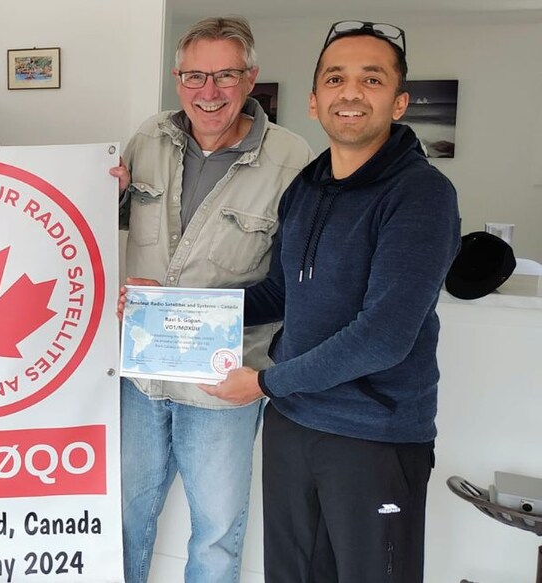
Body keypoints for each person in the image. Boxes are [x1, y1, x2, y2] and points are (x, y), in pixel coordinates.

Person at [202, 21, 460, 582]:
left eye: (372, 79)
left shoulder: (421, 195)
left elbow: (383, 336)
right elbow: (279, 293)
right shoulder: (307, 185)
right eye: (336, 78)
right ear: (315, 102)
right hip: (295, 423)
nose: (351, 92)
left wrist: (265, 382)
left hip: (373, 435)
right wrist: (181, 308)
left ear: (398, 103)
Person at [111, 16, 312, 583]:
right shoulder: (149, 138)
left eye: (225, 75)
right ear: (178, 79)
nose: (210, 91)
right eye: (196, 75)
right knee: (122, 519)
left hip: (225, 381)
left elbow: (298, 284)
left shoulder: (292, 160)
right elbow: (100, 227)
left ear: (250, 78)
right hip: (141, 375)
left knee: (218, 535)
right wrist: (105, 194)